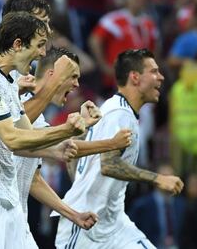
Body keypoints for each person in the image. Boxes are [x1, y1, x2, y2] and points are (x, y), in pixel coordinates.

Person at [0, 11, 97, 249]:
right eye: (40, 45)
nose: (42, 53)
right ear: (18, 44)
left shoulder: (5, 76)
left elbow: (25, 132)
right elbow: (13, 140)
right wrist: (66, 130)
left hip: (6, 197)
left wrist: (62, 139)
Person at [54, 49, 184, 249]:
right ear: (135, 77)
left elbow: (73, 155)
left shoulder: (119, 110)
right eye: (154, 71)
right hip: (85, 229)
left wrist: (81, 180)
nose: (161, 77)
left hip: (114, 224)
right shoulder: (118, 113)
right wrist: (157, 178)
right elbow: (108, 164)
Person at [14, 46, 132, 248]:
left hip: (14, 215)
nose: (77, 84)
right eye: (73, 76)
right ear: (54, 74)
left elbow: (36, 175)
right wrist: (110, 143)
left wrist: (73, 215)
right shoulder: (16, 98)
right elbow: (17, 136)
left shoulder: (39, 117)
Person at [128, 164, 186, 248]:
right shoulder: (142, 206)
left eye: (171, 176)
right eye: (164, 177)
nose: (168, 180)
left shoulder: (182, 205)